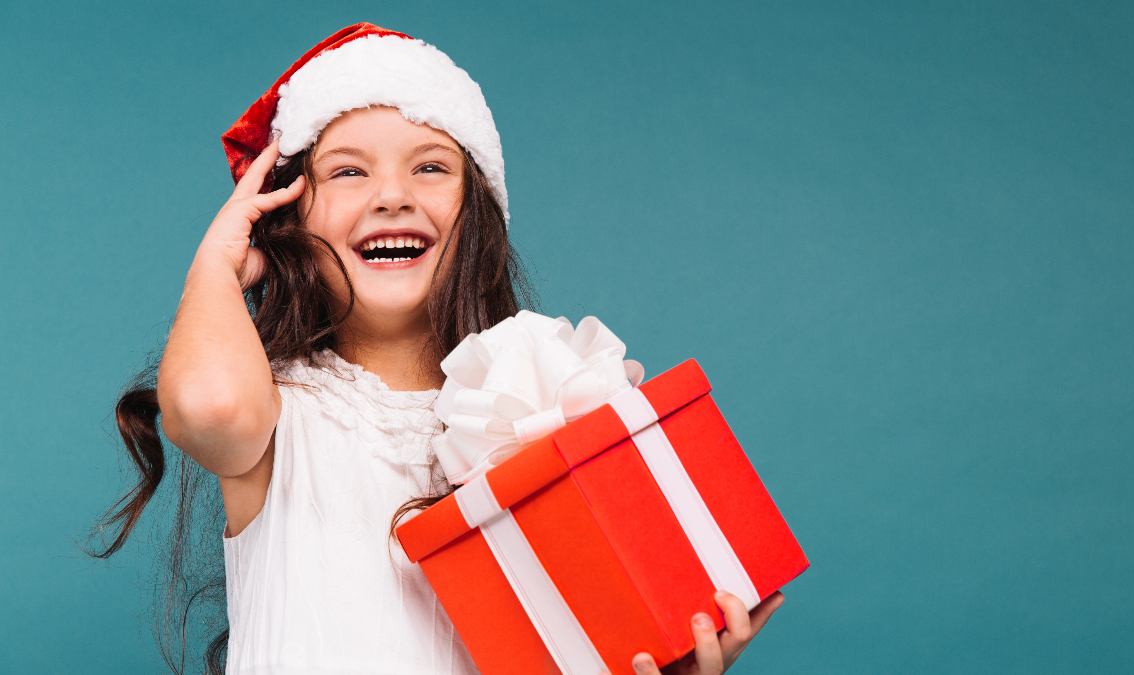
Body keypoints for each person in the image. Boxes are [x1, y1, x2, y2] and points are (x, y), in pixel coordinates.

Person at [96, 23, 784, 675]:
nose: (392, 195)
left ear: (477, 212)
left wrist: (660, 644)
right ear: (287, 218)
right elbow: (208, 405)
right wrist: (218, 261)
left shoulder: (530, 418)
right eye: (347, 173)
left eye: (429, 167)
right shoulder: (280, 413)